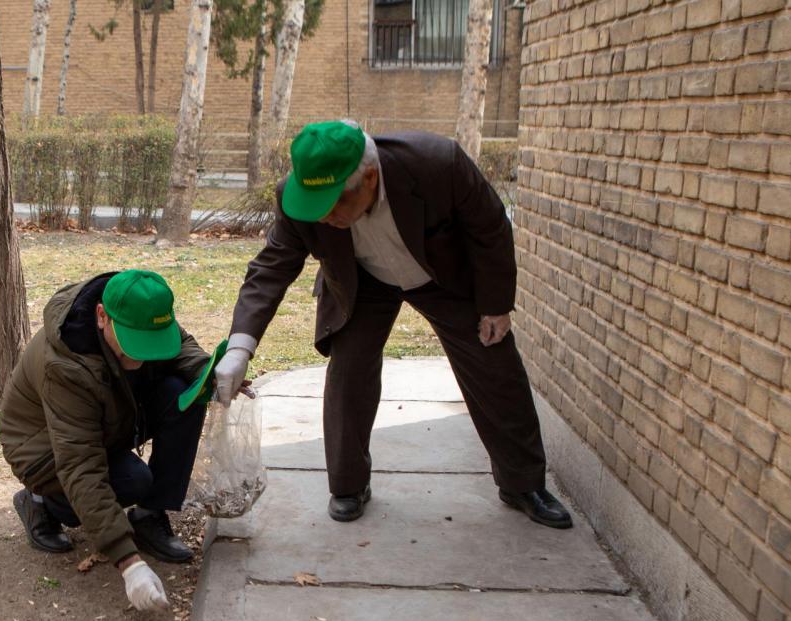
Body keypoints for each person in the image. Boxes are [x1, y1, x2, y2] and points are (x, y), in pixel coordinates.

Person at [214, 120, 573, 530]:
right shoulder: (297, 200)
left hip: (441, 276)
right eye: (315, 205)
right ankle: (349, 486)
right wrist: (240, 348)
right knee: (349, 370)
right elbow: (271, 268)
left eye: (334, 203)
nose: (324, 216)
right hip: (362, 280)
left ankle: (523, 484)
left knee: (495, 366)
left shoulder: (439, 165)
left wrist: (495, 307)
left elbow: (489, 228)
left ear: (369, 178)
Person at [0, 269, 215, 613]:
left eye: (150, 342)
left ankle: (149, 516)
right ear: (102, 316)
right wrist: (129, 562)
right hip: (43, 450)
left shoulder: (140, 308)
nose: (140, 358)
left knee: (185, 393)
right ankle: (41, 500)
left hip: (107, 420)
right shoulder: (66, 365)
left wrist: (211, 374)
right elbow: (80, 465)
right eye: (133, 344)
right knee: (131, 481)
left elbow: (180, 344)